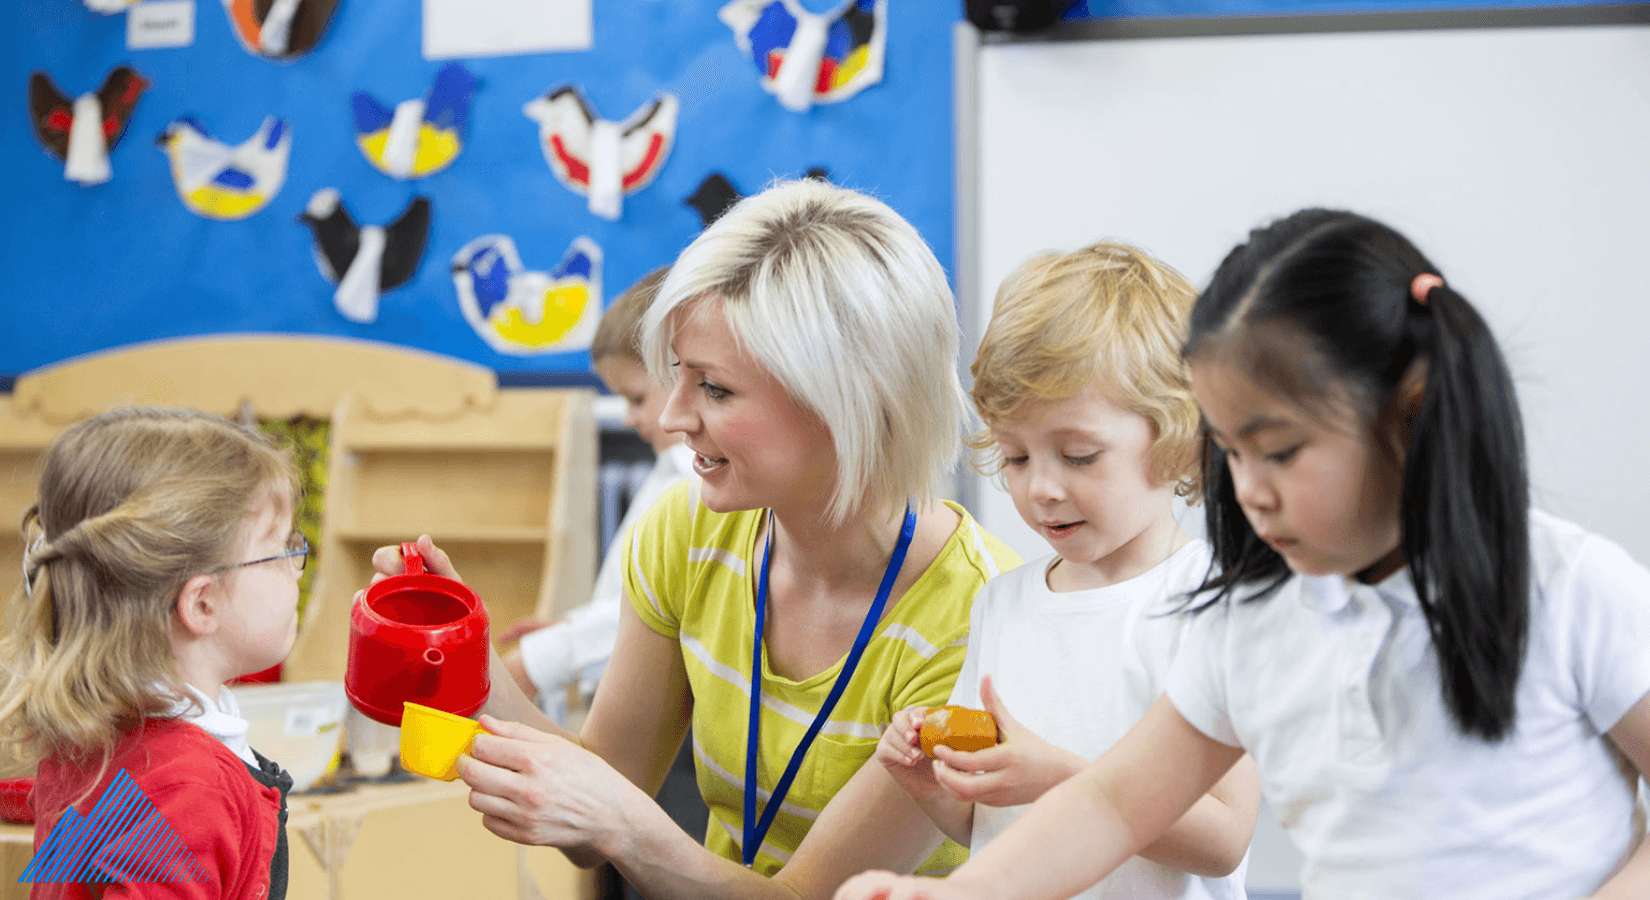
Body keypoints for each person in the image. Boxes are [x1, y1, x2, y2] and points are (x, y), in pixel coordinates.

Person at [836, 209, 1650, 900]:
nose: (1249, 489)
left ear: (1409, 413)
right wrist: (949, 893)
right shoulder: (1251, 618)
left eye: (1281, 451)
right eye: (1231, 450)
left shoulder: (1570, 587)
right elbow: (1118, 806)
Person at [369, 179, 1022, 899]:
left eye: (714, 389)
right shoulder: (689, 531)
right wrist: (464, 654)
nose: (675, 418)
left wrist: (626, 826)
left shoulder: (979, 618)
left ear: (848, 400)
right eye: (676, 378)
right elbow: (594, 815)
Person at [875, 243, 1258, 900]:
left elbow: (1224, 840)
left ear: (1175, 440)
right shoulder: (1002, 605)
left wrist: (1056, 776)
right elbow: (992, 825)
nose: (1042, 489)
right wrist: (933, 789)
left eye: (1078, 455)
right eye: (1017, 456)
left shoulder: (1208, 604)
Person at [0, 407, 306, 900]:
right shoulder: (184, 792)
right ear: (202, 602)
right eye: (281, 550)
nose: (296, 567)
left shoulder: (100, 742)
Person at [500, 265, 695, 722]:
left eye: (636, 398)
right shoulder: (669, 469)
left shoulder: (693, 480)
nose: (628, 418)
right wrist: (574, 628)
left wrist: (545, 657)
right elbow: (637, 597)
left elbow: (666, 607)